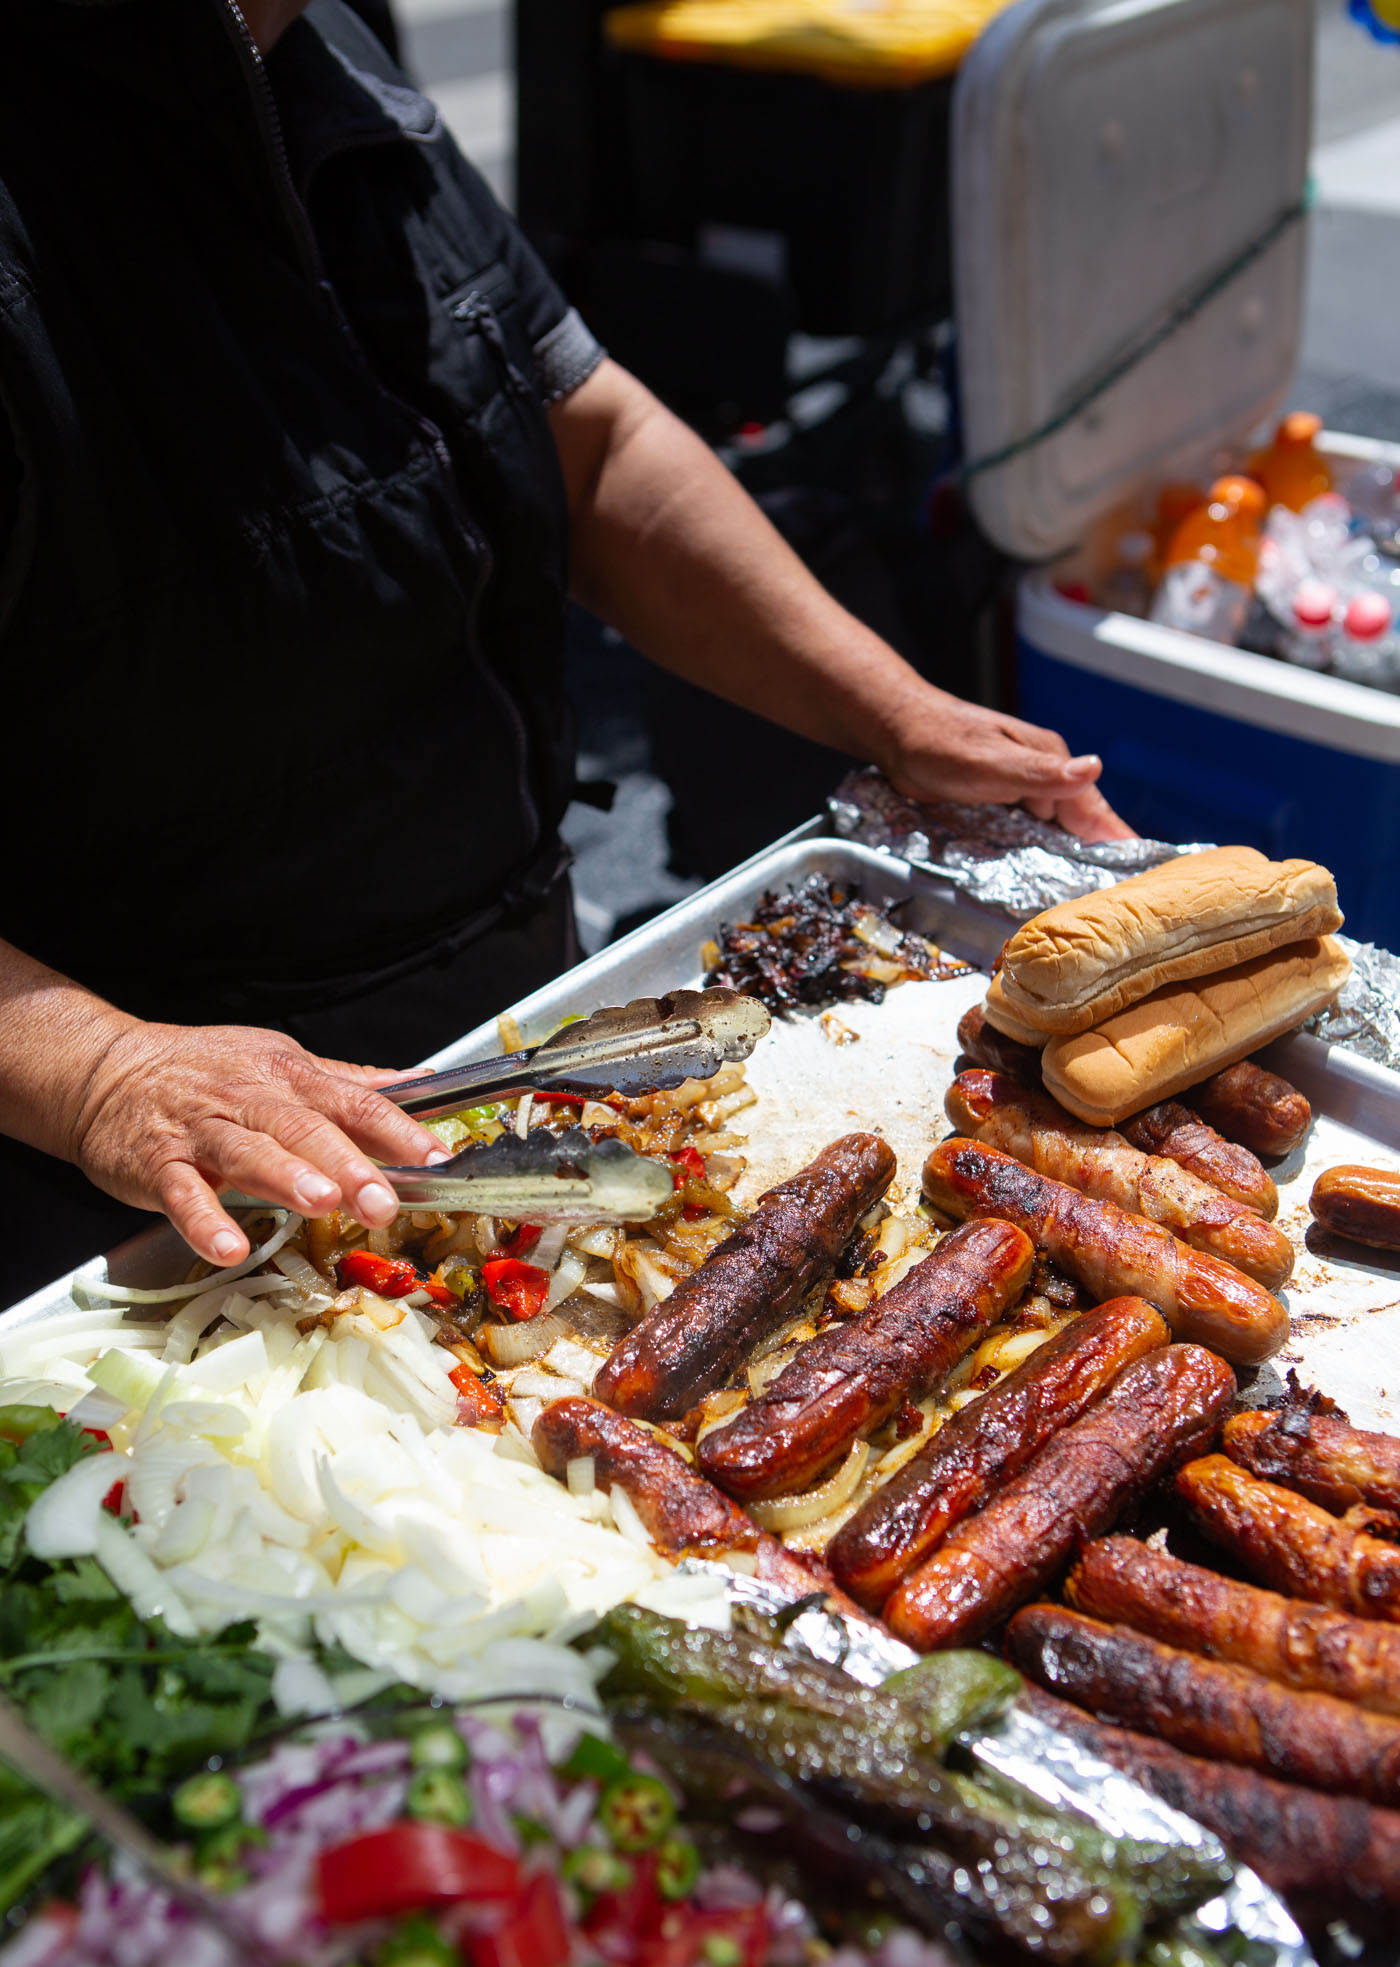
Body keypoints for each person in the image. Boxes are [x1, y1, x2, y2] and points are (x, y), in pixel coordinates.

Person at [0, 0, 1128, 1304]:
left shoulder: (316, 48)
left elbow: (585, 441)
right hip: (147, 1195)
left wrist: (891, 708)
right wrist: (105, 1072)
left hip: (510, 1048)